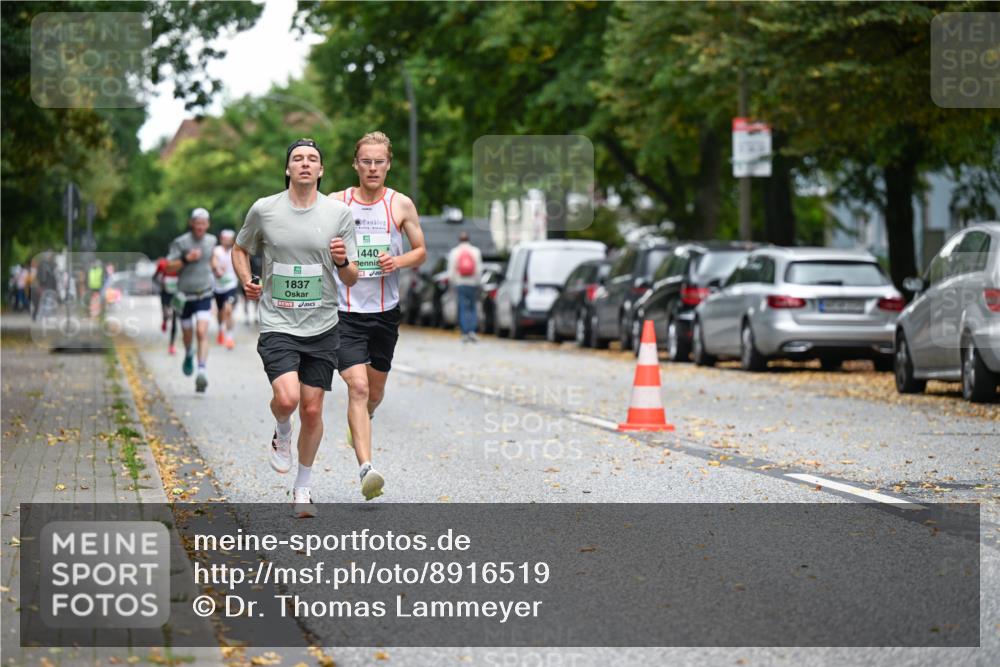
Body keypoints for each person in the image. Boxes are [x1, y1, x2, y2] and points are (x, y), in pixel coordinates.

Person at [233, 138, 358, 518]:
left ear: (321, 171)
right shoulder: (265, 210)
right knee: (287, 400)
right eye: (298, 159)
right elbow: (240, 248)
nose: (305, 164)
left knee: (314, 408)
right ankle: (282, 430)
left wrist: (341, 262)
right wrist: (246, 279)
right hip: (278, 322)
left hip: (322, 324)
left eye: (313, 159)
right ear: (288, 169)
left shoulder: (338, 213)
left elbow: (351, 278)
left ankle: (302, 488)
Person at [330, 131, 426, 501]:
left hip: (385, 312)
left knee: (375, 391)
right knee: (358, 386)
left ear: (388, 164)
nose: (372, 168)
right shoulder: (337, 203)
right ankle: (366, 469)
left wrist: (396, 261)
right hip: (345, 312)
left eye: (379, 162)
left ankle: (362, 421)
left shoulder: (400, 204)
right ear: (356, 164)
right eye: (365, 161)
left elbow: (421, 251)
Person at [167, 208, 218, 393]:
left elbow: (210, 260)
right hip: (184, 296)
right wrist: (186, 259)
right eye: (198, 223)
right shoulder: (181, 242)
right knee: (188, 335)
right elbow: (169, 266)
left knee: (202, 331)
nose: (201, 226)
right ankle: (189, 352)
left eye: (204, 223)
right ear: (192, 223)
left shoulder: (212, 241)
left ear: (208, 225)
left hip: (203, 293)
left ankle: (202, 371)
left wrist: (216, 267)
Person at [447, 231, 483, 342]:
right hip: (472, 283)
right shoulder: (475, 251)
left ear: (459, 240)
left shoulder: (454, 252)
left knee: (462, 307)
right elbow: (479, 269)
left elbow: (451, 269)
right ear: (469, 239)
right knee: (472, 307)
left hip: (460, 283)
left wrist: (452, 282)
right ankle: (472, 331)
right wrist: (478, 282)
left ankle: (464, 332)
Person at [211, 229, 239, 348]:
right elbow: (213, 261)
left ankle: (229, 338)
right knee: (220, 312)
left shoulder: (235, 251)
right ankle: (220, 329)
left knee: (228, 310)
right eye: (225, 239)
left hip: (231, 285)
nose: (227, 241)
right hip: (218, 287)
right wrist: (217, 269)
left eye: (229, 239)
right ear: (221, 239)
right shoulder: (216, 250)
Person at [153, 257, 180, 355]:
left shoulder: (181, 262)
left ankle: (171, 345)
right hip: (165, 293)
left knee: (174, 319)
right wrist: (161, 284)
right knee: (167, 314)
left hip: (176, 293)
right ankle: (164, 320)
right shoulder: (162, 263)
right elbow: (154, 277)